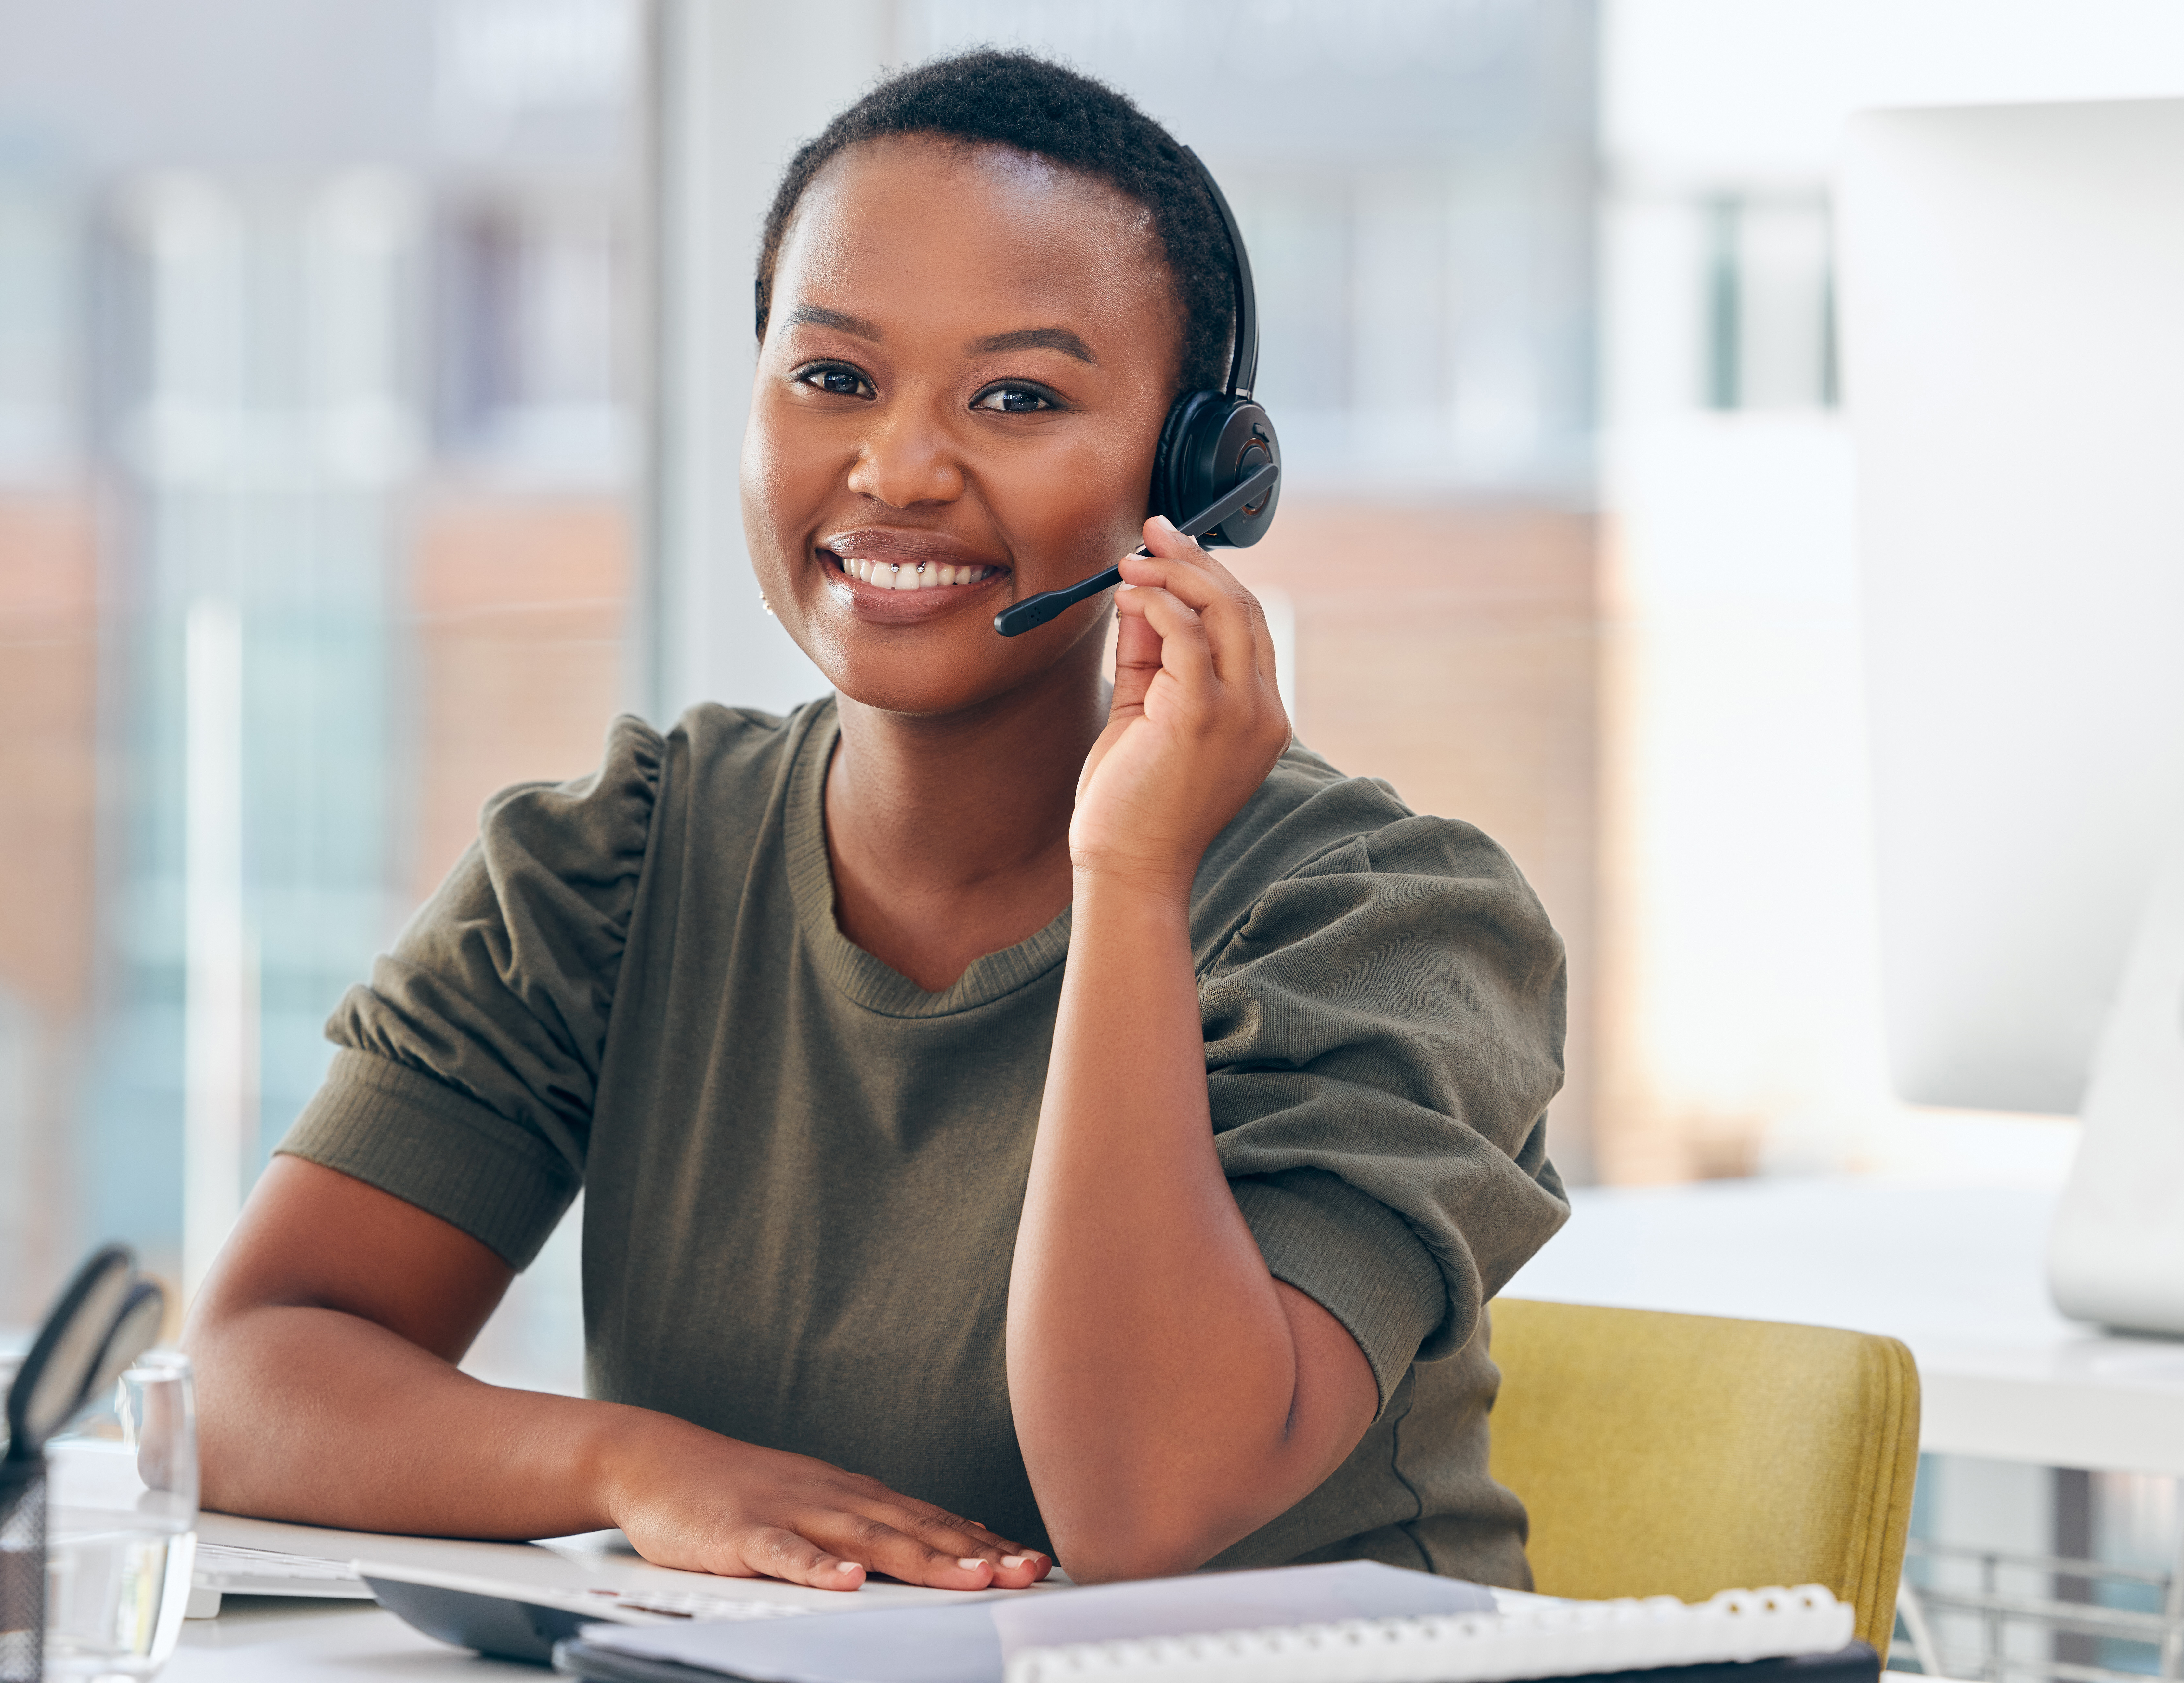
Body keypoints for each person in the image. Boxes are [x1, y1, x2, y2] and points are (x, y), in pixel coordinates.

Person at [183, 49, 1569, 1593]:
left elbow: (1140, 1505)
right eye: (832, 378)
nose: (896, 468)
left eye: (1017, 397)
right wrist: (630, 1462)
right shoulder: (618, 864)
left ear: (1194, 473)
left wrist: (1128, 874)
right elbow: (243, 1375)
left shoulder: (1385, 921)